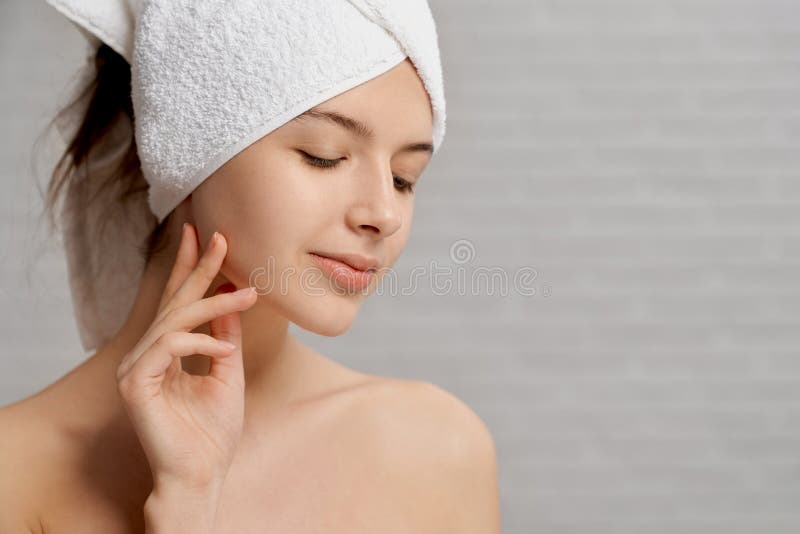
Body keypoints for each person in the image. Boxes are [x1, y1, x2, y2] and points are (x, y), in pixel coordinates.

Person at [0, 10, 500, 534]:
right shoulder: (16, 474)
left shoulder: (434, 450)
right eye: (324, 157)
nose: (384, 213)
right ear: (186, 145)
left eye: (404, 178)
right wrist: (185, 503)